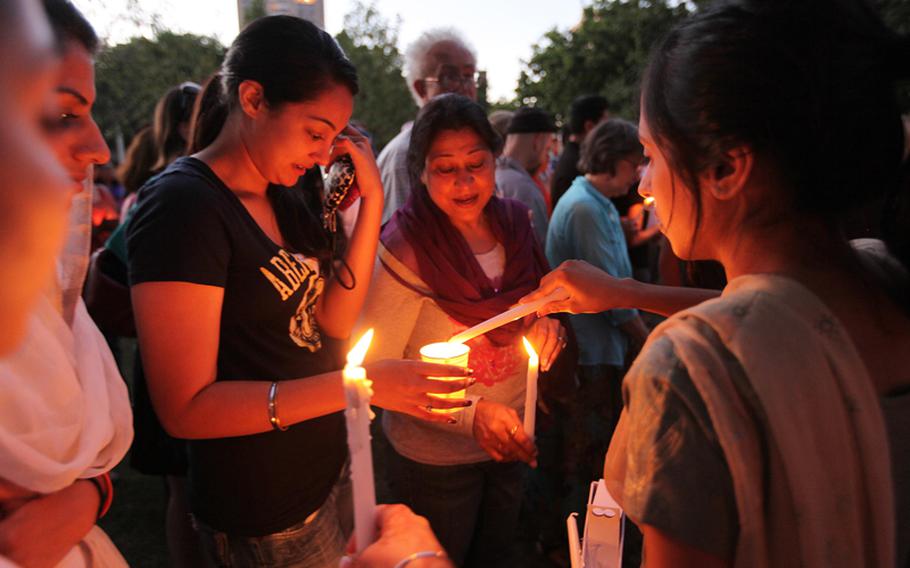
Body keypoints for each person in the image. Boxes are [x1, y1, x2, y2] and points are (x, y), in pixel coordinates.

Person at [523, 1, 910, 566]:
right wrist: (623, 292)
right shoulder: (881, 277)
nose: (647, 188)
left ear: (727, 168)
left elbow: (745, 324)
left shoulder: (692, 372)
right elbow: (767, 309)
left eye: (652, 157)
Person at [126, 16, 471, 566]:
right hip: (262, 504)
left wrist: (372, 207)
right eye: (315, 132)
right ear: (254, 98)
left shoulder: (282, 192)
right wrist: (361, 385)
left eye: (334, 137)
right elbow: (186, 408)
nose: (322, 153)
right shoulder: (184, 208)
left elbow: (331, 322)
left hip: (322, 468)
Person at [359, 93, 568, 566]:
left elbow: (534, 306)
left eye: (476, 162)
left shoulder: (515, 226)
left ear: (496, 160)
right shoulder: (407, 247)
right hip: (434, 459)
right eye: (445, 168)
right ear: (421, 173)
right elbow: (376, 373)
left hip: (511, 440)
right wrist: (475, 415)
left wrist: (545, 325)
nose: (464, 181)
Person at [0, 1, 133, 566]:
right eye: (61, 116)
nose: (100, 150)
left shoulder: (38, 283)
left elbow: (88, 446)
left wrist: (87, 493)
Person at [377, 28, 478, 223]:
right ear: (421, 88)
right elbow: (397, 243)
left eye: (468, 75)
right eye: (449, 76)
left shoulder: (479, 146)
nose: (463, 87)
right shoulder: (405, 155)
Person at [495, 106, 558, 246]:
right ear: (537, 141)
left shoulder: (490, 176)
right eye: (547, 150)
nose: (546, 158)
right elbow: (541, 255)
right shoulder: (526, 190)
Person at [550, 94, 608, 207]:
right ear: (589, 127)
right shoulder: (575, 166)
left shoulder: (578, 157)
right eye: (605, 126)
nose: (609, 133)